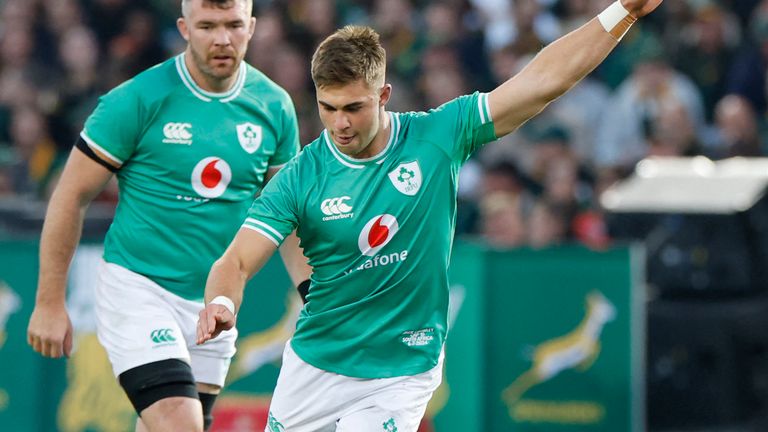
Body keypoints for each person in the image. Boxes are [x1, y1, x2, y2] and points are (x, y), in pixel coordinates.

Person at [197, 1, 663, 430]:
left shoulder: (437, 137)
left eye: (354, 108)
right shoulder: (300, 178)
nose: (340, 123)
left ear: (383, 95)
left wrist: (623, 11)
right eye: (328, 108)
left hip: (402, 368)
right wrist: (221, 304)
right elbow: (236, 262)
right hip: (316, 363)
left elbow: (541, 81)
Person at [26, 1, 311, 431]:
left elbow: (285, 217)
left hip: (215, 306)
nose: (222, 38)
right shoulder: (137, 99)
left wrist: (316, 297)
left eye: (233, 25)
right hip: (139, 289)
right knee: (180, 422)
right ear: (183, 28)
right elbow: (70, 197)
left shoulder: (274, 106)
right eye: (207, 26)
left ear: (251, 27)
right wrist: (49, 302)